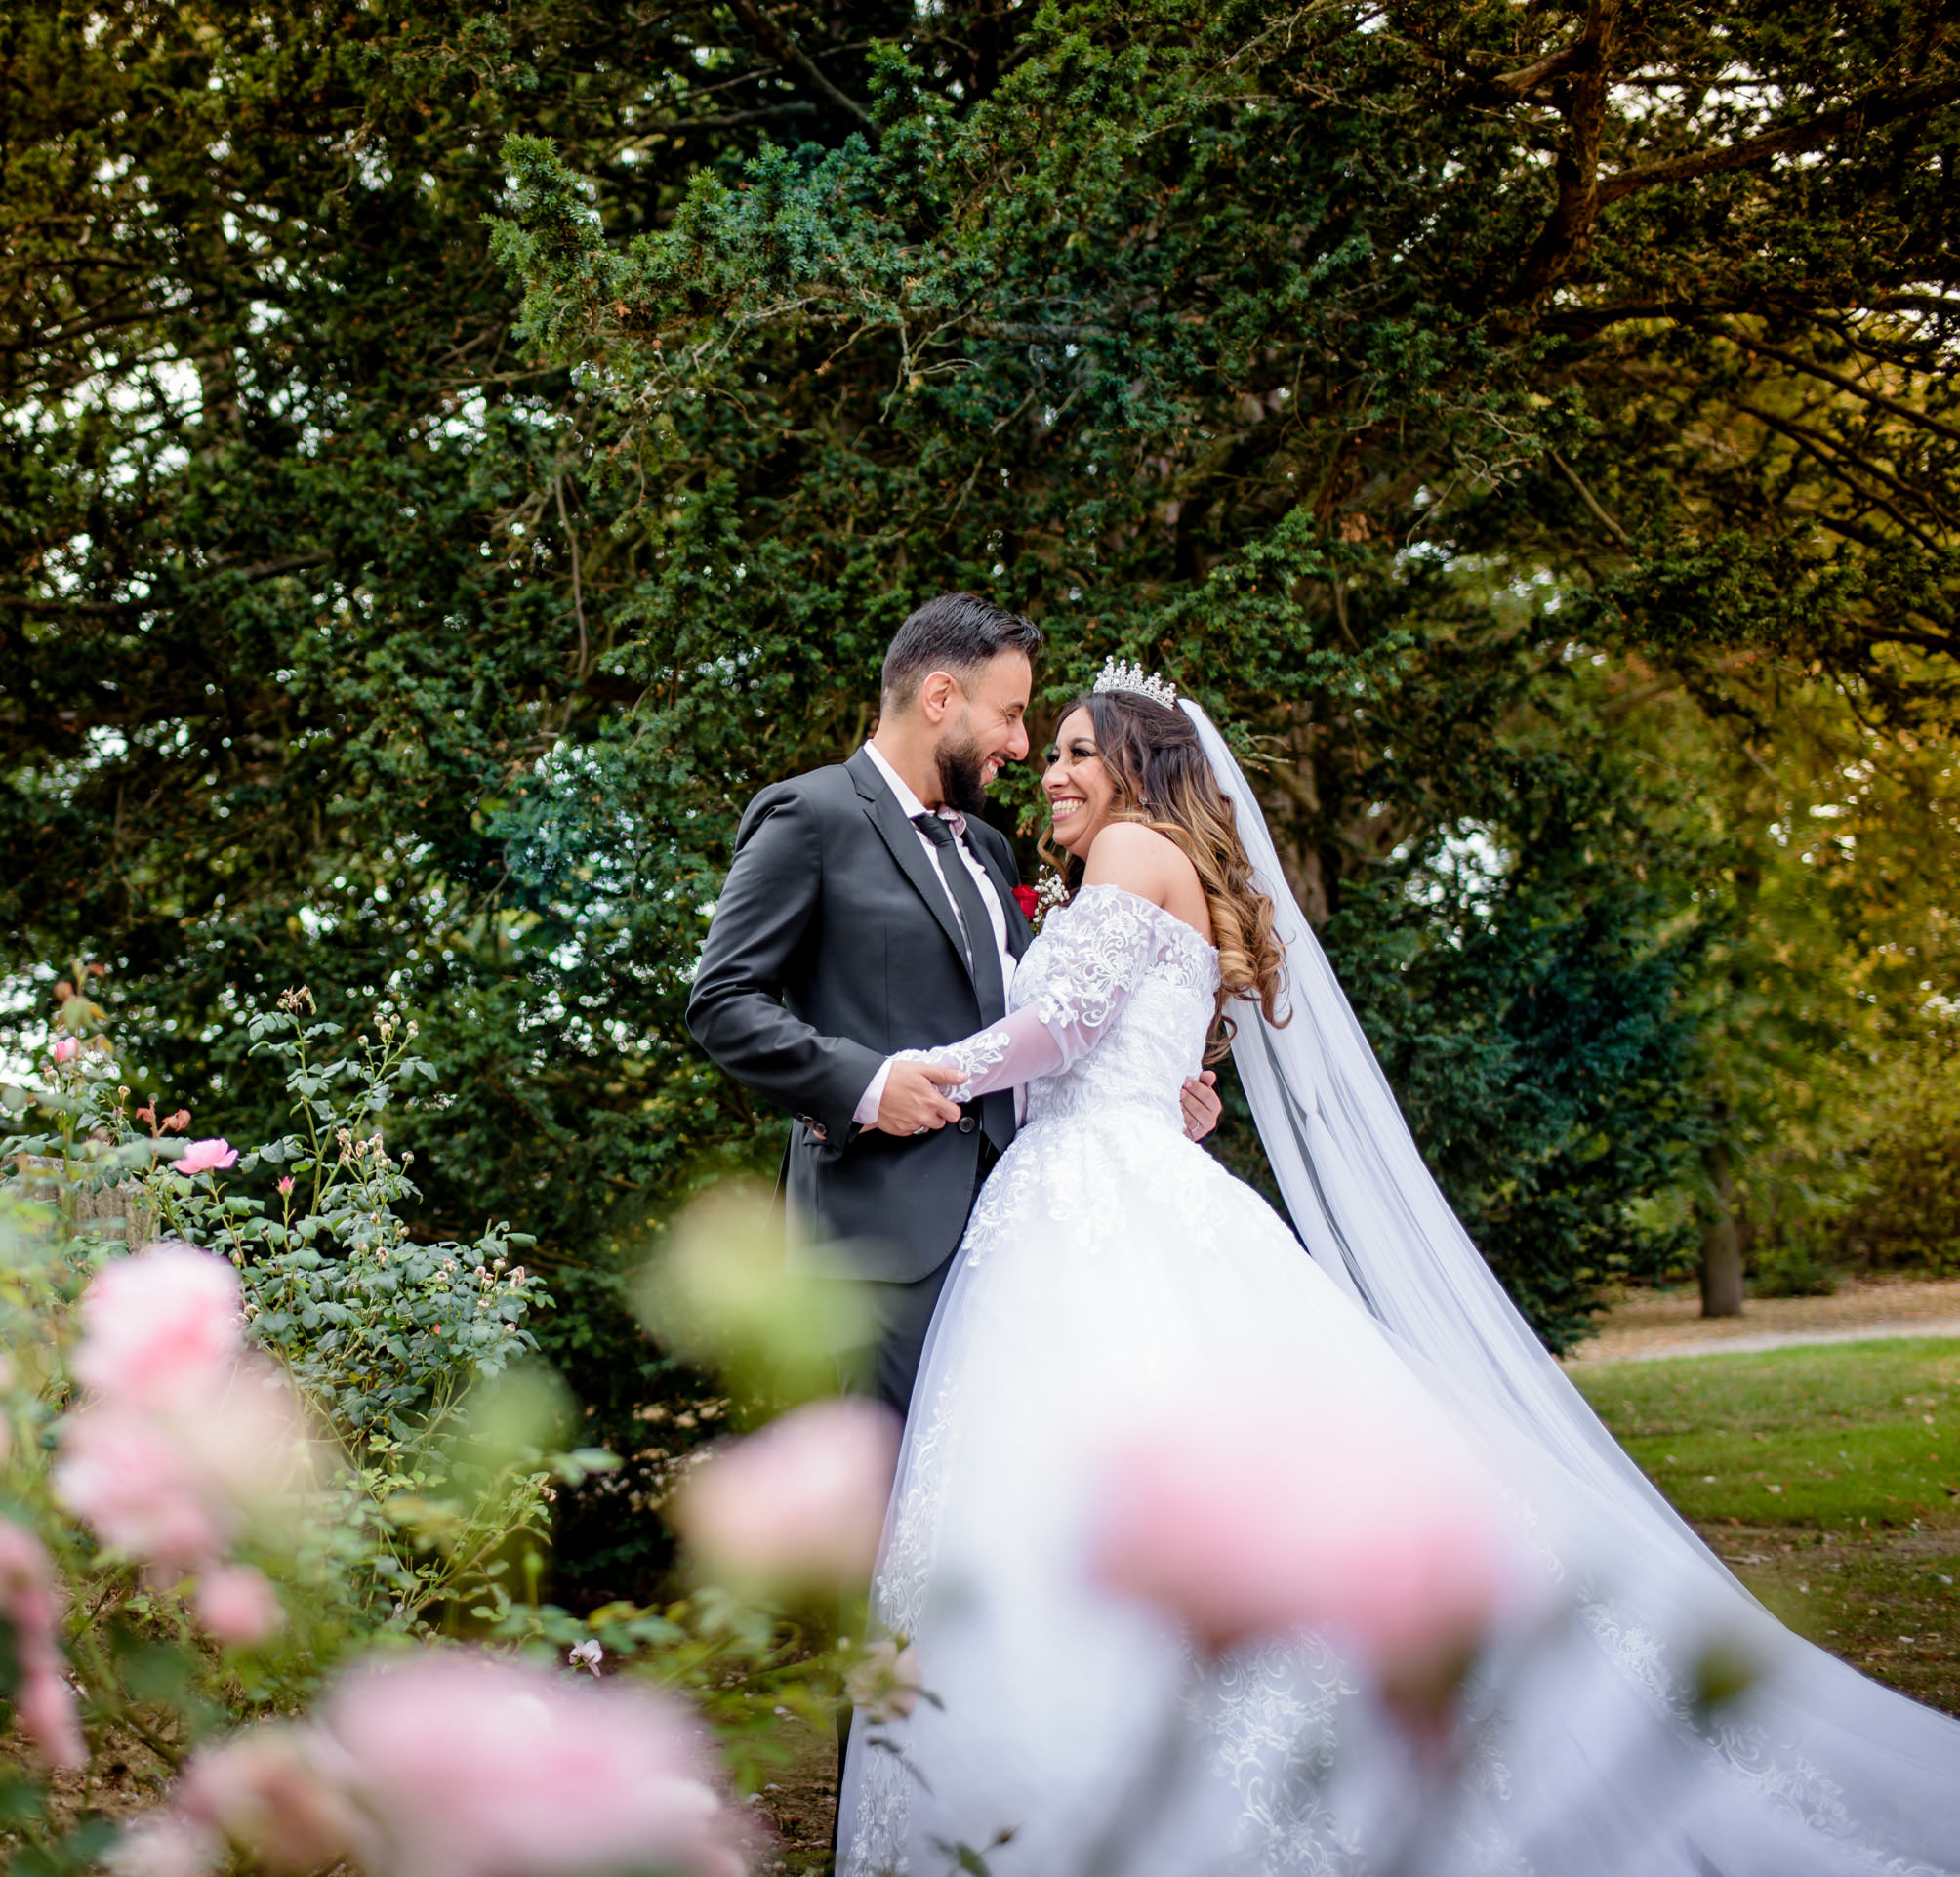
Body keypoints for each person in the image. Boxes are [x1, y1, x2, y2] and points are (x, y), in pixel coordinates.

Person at [835, 663, 1960, 1876]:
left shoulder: (1127, 854)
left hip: (1088, 1206)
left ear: (1139, 768)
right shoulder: (1170, 869)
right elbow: (1128, 1046)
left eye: (1074, 753)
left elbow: (1054, 1033)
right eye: (1044, 751)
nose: (1050, 774)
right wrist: (1168, 1095)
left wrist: (921, 1073)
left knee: (1073, 1494)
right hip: (1129, 1180)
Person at [685, 595, 1220, 1415]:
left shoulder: (990, 848)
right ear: (941, 699)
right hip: (873, 1248)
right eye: (1010, 714)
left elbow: (1039, 1014)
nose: (1021, 744)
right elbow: (722, 1000)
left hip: (1011, 1240)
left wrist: (1144, 1086)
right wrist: (868, 1085)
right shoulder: (812, 815)